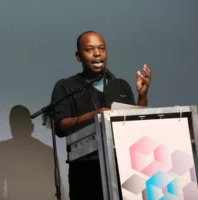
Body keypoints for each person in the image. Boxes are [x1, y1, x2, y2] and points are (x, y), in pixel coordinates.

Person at [51, 31, 151, 200]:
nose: (97, 53)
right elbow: (60, 126)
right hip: (85, 171)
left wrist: (142, 96)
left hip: (122, 167)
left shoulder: (120, 85)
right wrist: (94, 115)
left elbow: (135, 124)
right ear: (78, 56)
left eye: (101, 49)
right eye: (90, 49)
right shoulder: (66, 87)